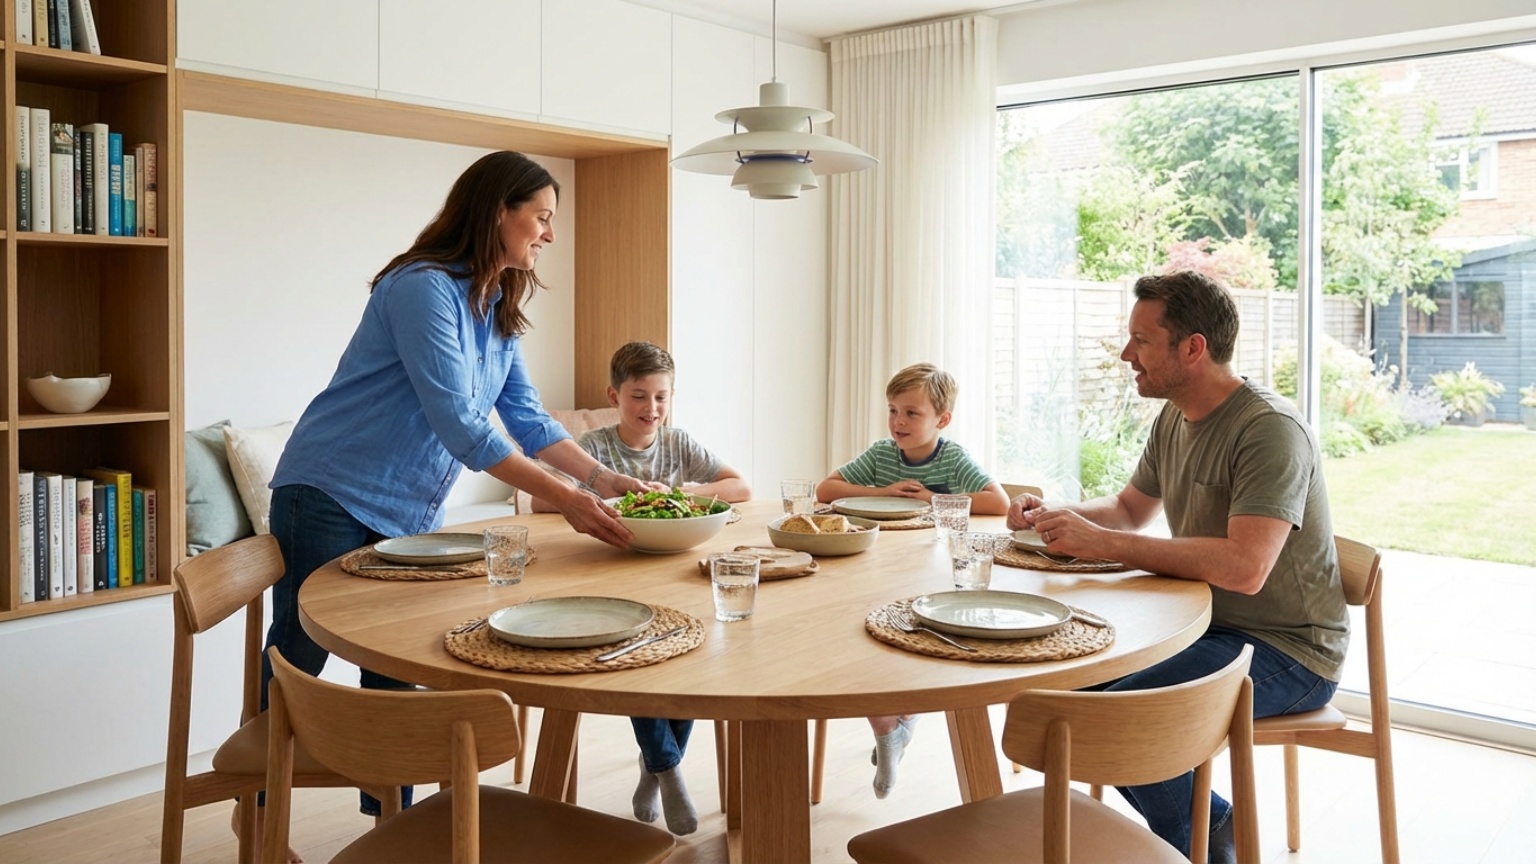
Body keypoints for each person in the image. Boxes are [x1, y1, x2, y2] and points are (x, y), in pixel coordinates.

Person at [254, 151, 658, 862]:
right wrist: (564, 499)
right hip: (328, 490)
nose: (549, 235)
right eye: (541, 218)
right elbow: (461, 426)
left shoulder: (495, 301)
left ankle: (391, 830)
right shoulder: (422, 289)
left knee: (397, 667)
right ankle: (256, 822)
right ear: (498, 211)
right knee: (300, 652)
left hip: (406, 512)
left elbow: (526, 419)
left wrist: (604, 478)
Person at [1008, 270, 1349, 863]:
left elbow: (1246, 567)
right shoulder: (1174, 416)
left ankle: (1207, 839)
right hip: (1206, 626)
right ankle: (1211, 825)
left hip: (1289, 650)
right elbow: (1127, 510)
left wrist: (1103, 545)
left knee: (1117, 721)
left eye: (1141, 340)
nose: (1125, 354)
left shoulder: (1270, 431)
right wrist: (1058, 515)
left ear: (1193, 348)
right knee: (1074, 682)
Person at [579, 340, 750, 835]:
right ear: (614, 396)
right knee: (637, 661)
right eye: (638, 396)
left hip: (677, 569)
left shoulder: (678, 443)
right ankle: (669, 769)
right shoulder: (593, 449)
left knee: (691, 662)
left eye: (660, 397)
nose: (650, 409)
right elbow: (540, 499)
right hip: (613, 568)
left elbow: (740, 487)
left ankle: (656, 767)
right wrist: (600, 497)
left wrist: (686, 491)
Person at [816, 362, 1009, 799]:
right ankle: (890, 729)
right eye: (893, 411)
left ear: (941, 419)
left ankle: (897, 725)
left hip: (932, 578)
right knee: (857, 636)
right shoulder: (883, 455)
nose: (898, 422)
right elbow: (825, 490)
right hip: (873, 574)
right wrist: (882, 491)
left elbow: (997, 502)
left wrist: (933, 497)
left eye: (911, 413)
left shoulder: (952, 458)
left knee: (917, 648)